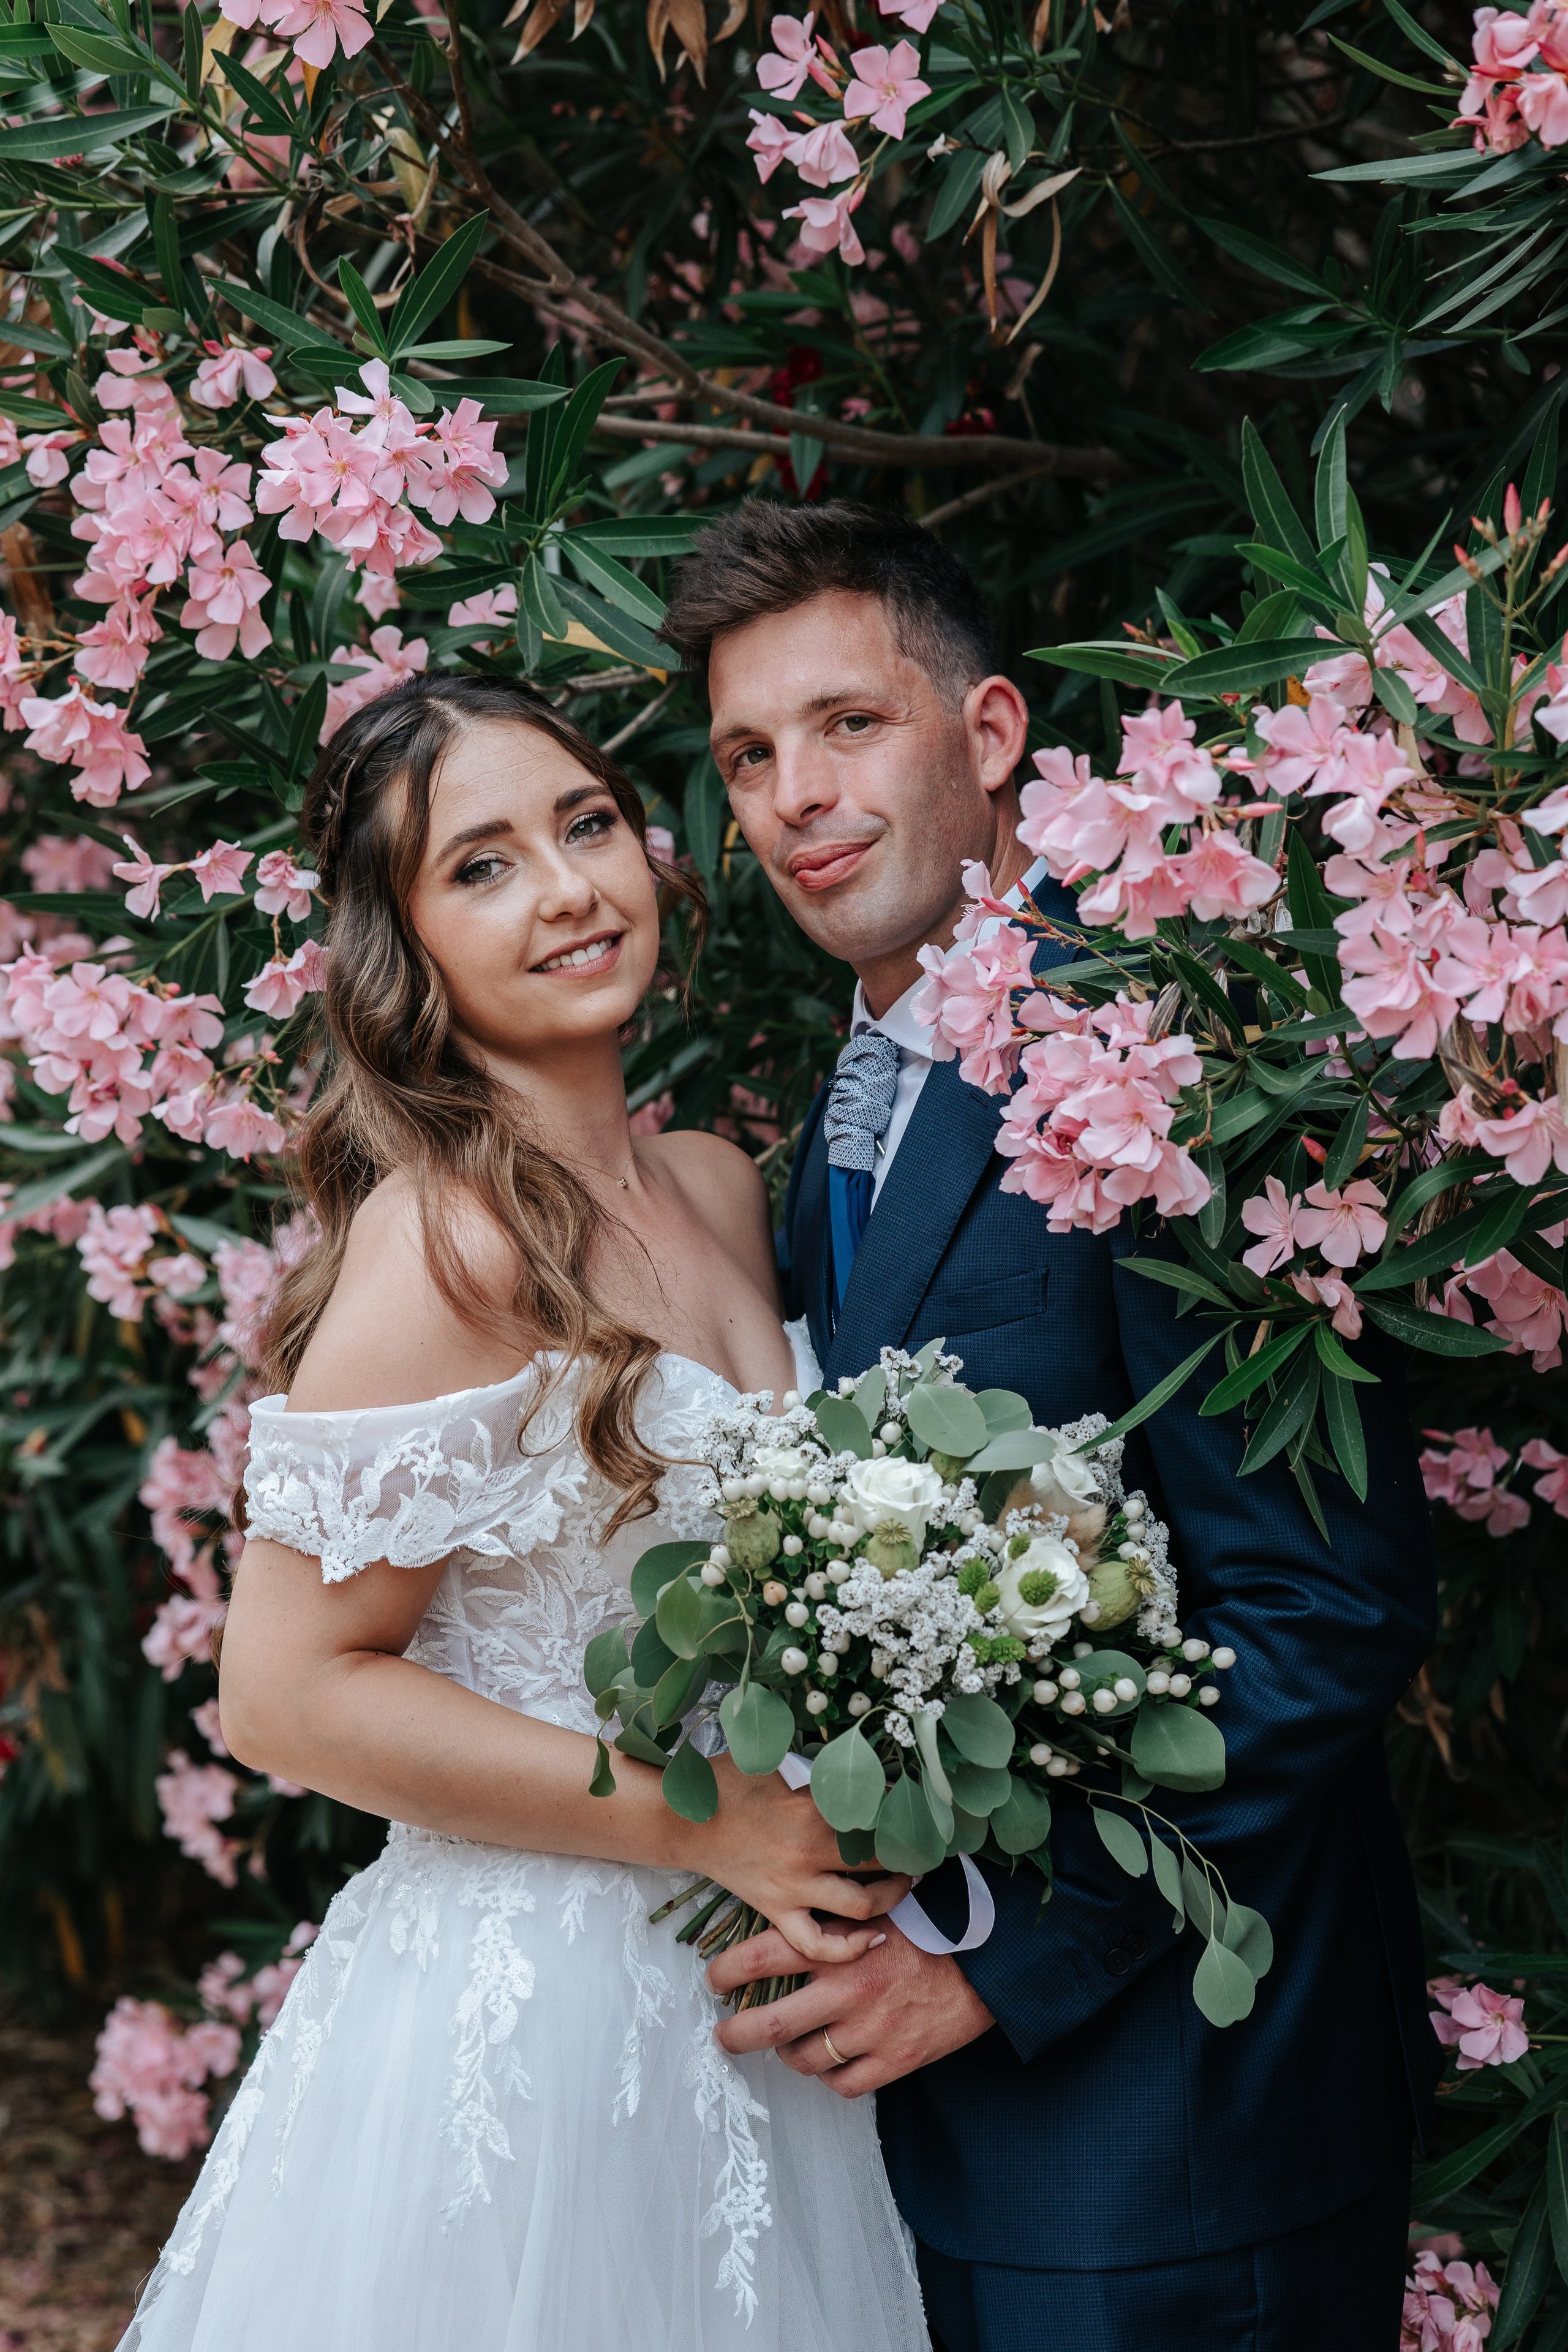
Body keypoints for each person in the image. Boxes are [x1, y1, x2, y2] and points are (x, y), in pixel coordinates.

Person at [658, 500, 1441, 2352]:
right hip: (930, 2145)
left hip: (1167, 2139)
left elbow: (1323, 1604)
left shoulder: (1152, 1059)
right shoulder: (850, 1103)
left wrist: (1003, 1972)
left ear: (992, 736)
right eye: (750, 757)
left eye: (851, 724)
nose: (795, 795)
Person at [116, 674, 929, 2352]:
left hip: (758, 2005)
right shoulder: (450, 1240)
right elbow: (283, 1693)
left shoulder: (712, 1182)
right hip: (534, 2020)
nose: (566, 888)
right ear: (403, 949)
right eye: (480, 865)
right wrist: (694, 1819)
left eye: (584, 825)